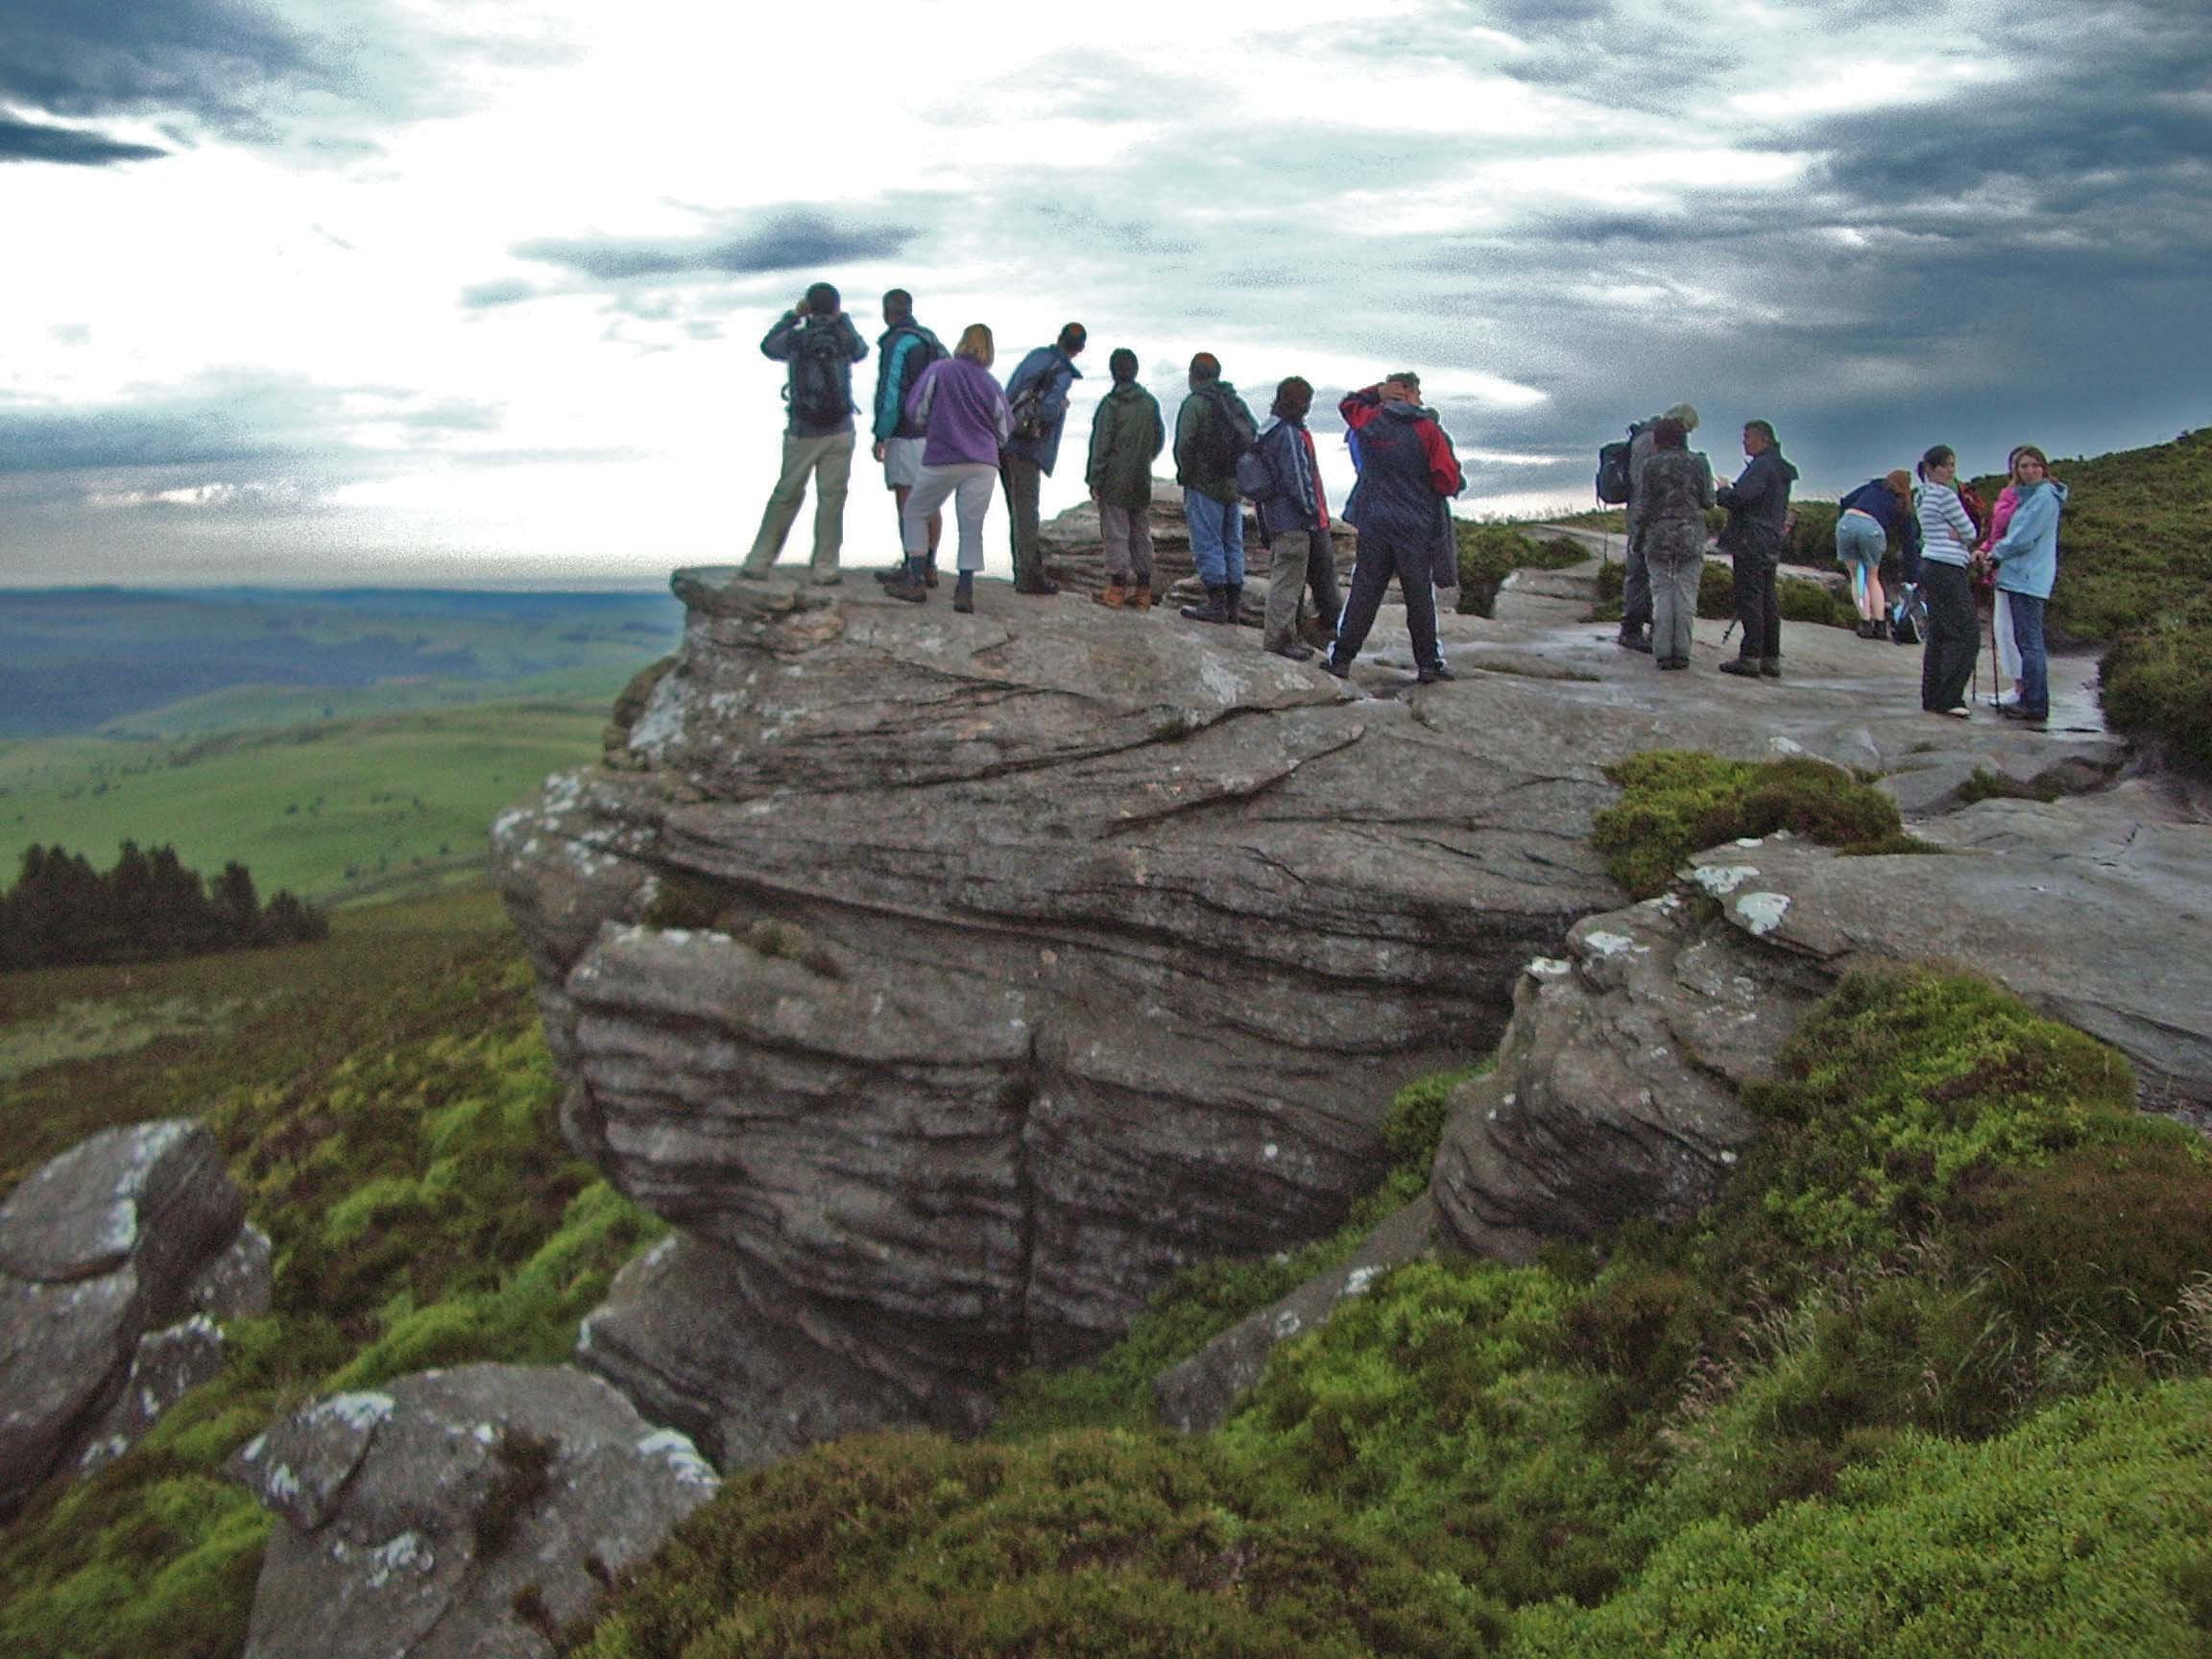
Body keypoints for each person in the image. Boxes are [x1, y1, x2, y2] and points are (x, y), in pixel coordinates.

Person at [1326, 373, 1464, 683]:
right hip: (1415, 525)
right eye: (1418, 392)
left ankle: (1342, 658)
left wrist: (1377, 390)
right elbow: (1447, 479)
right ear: (1409, 392)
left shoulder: (1370, 421)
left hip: (1374, 521)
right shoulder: (1428, 428)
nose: (1422, 399)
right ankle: (1428, 664)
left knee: (1364, 592)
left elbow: (1348, 404)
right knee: (1418, 596)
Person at [737, 282, 870, 584]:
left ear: (808, 307)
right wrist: (842, 320)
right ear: (836, 307)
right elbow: (861, 350)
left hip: (803, 429)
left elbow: (768, 346)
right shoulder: (841, 338)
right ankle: (825, 567)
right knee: (832, 498)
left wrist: (792, 316)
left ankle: (759, 562)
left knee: (786, 495)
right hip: (840, 429)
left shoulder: (797, 339)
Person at [889, 324, 1011, 613]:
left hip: (943, 456)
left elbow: (915, 410)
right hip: (983, 461)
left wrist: (933, 425)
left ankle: (916, 578)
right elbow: (1005, 428)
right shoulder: (990, 382)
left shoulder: (940, 370)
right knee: (971, 527)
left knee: (916, 512)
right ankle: (964, 590)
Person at [1252, 376, 1338, 661]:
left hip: (1276, 517)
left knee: (1289, 579)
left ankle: (1292, 633)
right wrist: (1312, 510)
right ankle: (1280, 638)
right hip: (1293, 520)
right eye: (1306, 403)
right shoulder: (1288, 434)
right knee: (1288, 582)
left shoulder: (1267, 430)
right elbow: (1298, 479)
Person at [998, 323, 1087, 594]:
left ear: (1058, 338)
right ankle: (1029, 576)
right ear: (1080, 349)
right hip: (1027, 446)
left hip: (1004, 440)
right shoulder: (1061, 372)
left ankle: (1021, 569)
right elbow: (1047, 410)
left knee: (1016, 508)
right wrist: (1059, 406)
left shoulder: (1035, 357)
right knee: (1026, 510)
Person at [1984, 445, 2066, 724]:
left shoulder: (2043, 498)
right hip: (2022, 576)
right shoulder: (2033, 497)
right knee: (2026, 641)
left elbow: (2023, 537)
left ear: (2043, 467)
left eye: (2034, 465)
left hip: (2028, 578)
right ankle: (2030, 700)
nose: (2030, 471)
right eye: (2024, 466)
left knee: (2030, 643)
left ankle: (2034, 704)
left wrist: (1995, 555)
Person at [870, 290, 946, 589]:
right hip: (936, 433)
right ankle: (929, 565)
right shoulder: (931, 341)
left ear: (887, 312)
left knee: (907, 499)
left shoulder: (897, 343)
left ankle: (912, 568)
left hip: (906, 432)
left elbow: (890, 392)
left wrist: (881, 434)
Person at [1174, 353, 1258, 624]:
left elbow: (1184, 444)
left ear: (1193, 374)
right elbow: (1253, 434)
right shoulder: (1234, 401)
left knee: (1207, 541)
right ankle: (1233, 605)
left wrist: (1186, 474)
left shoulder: (1195, 403)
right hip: (1232, 483)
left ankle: (1215, 602)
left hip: (1203, 482)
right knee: (1232, 542)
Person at [1713, 420, 1798, 680]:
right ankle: (1770, 658)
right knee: (1768, 599)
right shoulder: (1780, 468)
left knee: (1749, 596)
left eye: (1747, 437)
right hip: (1770, 539)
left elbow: (1741, 499)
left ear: (1763, 439)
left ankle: (1750, 657)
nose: (1744, 443)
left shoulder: (1762, 465)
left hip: (1751, 539)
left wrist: (1725, 490)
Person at [1625, 416, 1713, 670]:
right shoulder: (1700, 462)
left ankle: (1663, 652)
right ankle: (1682, 652)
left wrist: (1637, 537)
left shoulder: (1650, 465)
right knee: (1686, 594)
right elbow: (1708, 500)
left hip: (1658, 537)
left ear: (1658, 441)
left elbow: (1643, 506)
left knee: (1662, 593)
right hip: (1691, 536)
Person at [1084, 349, 1165, 611]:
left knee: (1117, 533)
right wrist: (1143, 460)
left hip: (1114, 481)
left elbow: (1101, 445)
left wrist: (1094, 478)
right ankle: (1143, 591)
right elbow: (1158, 439)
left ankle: (1117, 589)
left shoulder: (1111, 405)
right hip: (1141, 478)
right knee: (1141, 533)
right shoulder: (1150, 403)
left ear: (1113, 372)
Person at [1914, 444, 1981, 717]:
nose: (1951, 470)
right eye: (1945, 465)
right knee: (1966, 633)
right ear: (1931, 468)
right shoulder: (1946, 496)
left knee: (1940, 632)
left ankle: (1932, 696)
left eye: (1953, 465)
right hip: (1949, 565)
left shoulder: (1921, 494)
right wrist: (1961, 533)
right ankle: (1950, 697)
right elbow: (1970, 532)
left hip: (1930, 562)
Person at [1835, 469, 1916, 637]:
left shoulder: (1873, 486)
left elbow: (1845, 501)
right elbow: (1909, 541)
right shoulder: (1903, 503)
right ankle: (1880, 625)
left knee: (1858, 577)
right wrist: (1912, 574)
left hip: (1847, 523)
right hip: (1872, 528)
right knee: (1872, 577)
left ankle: (1865, 623)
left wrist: (1841, 521)